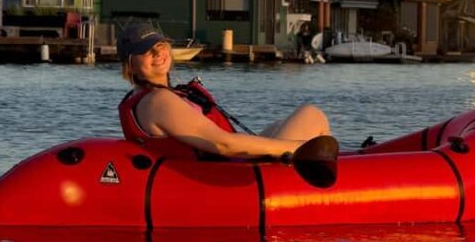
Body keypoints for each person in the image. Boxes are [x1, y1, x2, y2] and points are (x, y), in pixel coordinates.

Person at [117, 22, 331, 160]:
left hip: (225, 165)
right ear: (131, 65)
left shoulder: (146, 97)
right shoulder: (158, 101)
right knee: (312, 115)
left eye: (160, 45)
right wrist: (297, 149)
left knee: (285, 123)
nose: (157, 53)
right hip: (226, 174)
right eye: (144, 51)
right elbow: (222, 143)